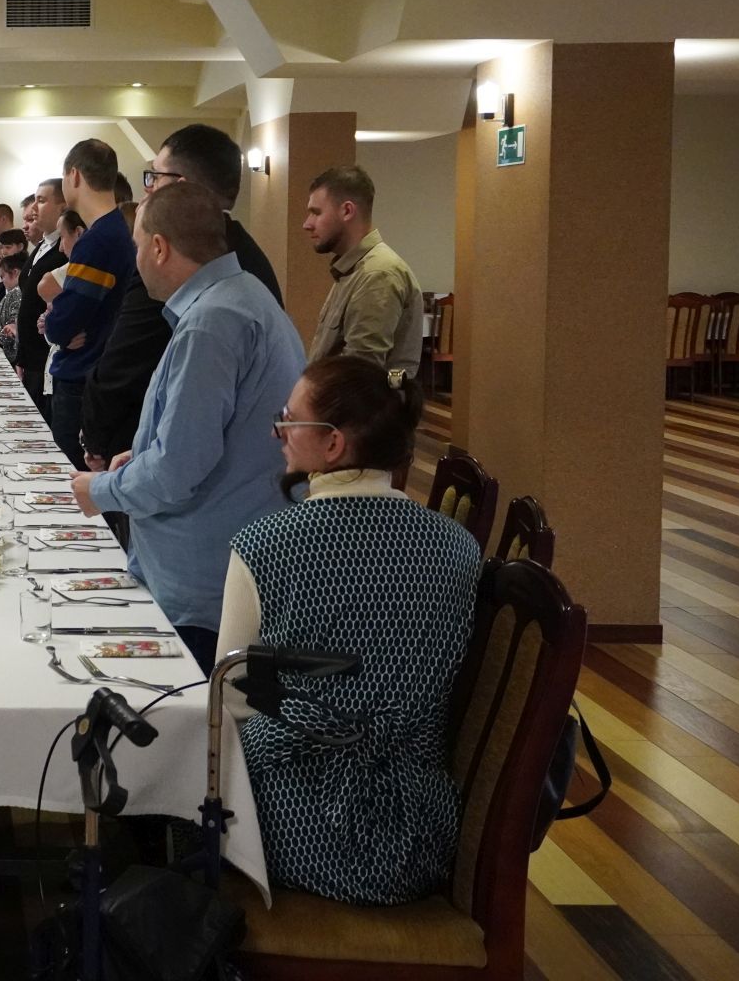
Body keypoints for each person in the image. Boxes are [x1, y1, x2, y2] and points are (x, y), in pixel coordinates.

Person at [215, 355, 481, 905]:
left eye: (290, 420)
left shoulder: (265, 545)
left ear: (333, 443)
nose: (279, 431)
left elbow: (234, 699)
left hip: (289, 820)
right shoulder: (458, 547)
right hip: (421, 828)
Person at [70, 183, 304, 672]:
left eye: (138, 246)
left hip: (204, 577)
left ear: (159, 247)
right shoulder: (243, 294)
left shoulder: (211, 321)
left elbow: (178, 469)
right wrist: (143, 453)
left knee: (171, 710)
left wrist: (101, 491)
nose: (135, 260)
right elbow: (214, 432)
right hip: (229, 556)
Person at [84, 125, 283, 478]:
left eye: (154, 177)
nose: (147, 189)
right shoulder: (243, 254)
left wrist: (96, 440)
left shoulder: (186, 270)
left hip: (206, 482)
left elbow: (127, 358)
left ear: (181, 187)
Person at [42, 140, 137, 469]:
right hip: (96, 370)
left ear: (74, 175)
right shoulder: (114, 230)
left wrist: (54, 321)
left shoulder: (98, 239)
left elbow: (63, 322)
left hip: (83, 376)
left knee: (71, 480)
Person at [305, 165, 426, 377]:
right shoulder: (353, 270)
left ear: (347, 211)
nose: (307, 224)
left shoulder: (378, 273)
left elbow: (359, 376)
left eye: (316, 213)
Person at [15, 178, 67, 415]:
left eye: (41, 200)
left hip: (44, 355)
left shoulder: (63, 249)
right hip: (30, 355)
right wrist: (21, 356)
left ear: (62, 207)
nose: (34, 208)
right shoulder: (42, 245)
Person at [0, 228, 28, 329]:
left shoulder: (25, 279)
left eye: (8, 247)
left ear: (20, 247)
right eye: (2, 247)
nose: (3, 251)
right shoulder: (1, 286)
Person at [0, 250, 27, 366]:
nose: (2, 281)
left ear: (15, 272)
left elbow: (13, 329)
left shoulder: (17, 293)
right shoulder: (15, 292)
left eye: (3, 276)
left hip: (14, 356)